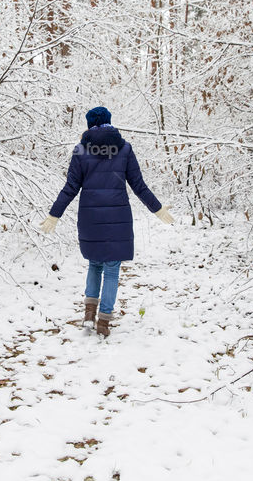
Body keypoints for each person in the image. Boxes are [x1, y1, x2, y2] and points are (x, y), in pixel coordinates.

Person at [40, 107, 174, 337]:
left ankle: (89, 316)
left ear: (89, 124)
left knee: (95, 264)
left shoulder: (81, 150)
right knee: (112, 270)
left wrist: (55, 215)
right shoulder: (124, 149)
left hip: (90, 218)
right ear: (110, 122)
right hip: (117, 218)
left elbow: (70, 187)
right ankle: (104, 320)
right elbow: (138, 185)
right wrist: (158, 209)